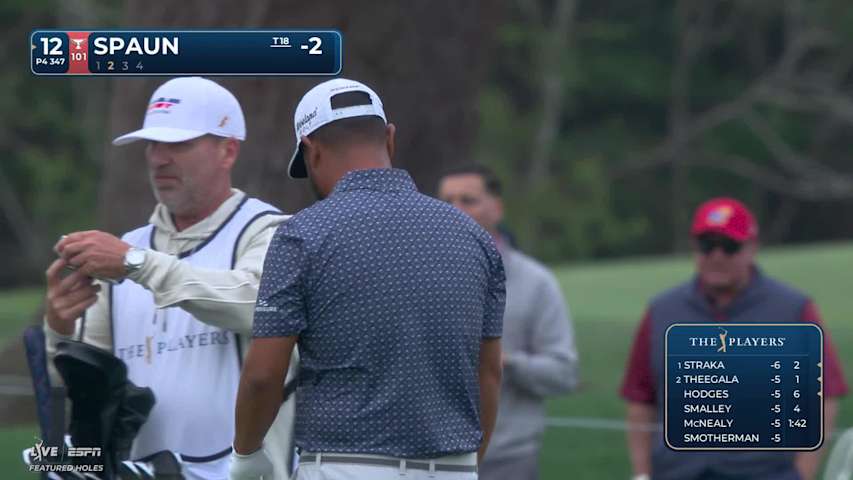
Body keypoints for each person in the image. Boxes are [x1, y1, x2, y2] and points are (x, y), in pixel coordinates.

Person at [228, 78, 506, 480]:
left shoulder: (301, 236)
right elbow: (490, 372)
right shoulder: (475, 237)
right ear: (389, 138)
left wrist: (247, 454)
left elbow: (263, 375)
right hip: (453, 468)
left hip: (344, 465)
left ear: (310, 150)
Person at [44, 77, 297, 480]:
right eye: (152, 144)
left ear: (227, 150)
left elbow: (258, 306)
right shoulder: (125, 249)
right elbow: (79, 382)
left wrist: (137, 264)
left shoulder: (270, 230)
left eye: (177, 144)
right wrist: (60, 328)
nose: (158, 158)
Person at [621, 197, 848, 480]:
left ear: (752, 249)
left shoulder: (792, 309)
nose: (717, 256)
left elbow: (824, 395)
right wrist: (642, 474)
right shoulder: (662, 311)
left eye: (729, 246)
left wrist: (803, 474)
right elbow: (640, 398)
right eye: (707, 245)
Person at [437, 164, 579, 480]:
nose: (455, 210)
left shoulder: (537, 282)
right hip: (433, 460)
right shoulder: (416, 278)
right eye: (446, 201)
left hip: (508, 461)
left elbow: (565, 374)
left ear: (497, 208)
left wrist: (505, 362)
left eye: (468, 200)